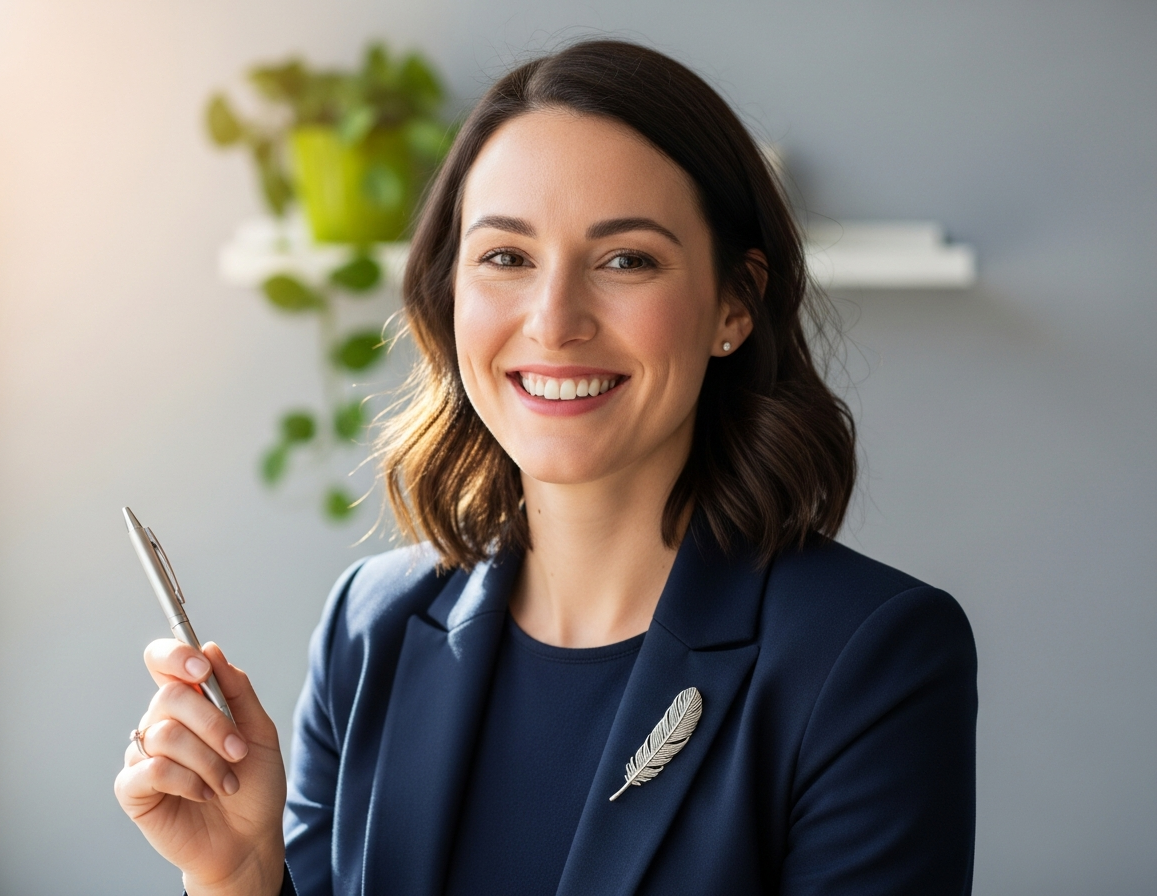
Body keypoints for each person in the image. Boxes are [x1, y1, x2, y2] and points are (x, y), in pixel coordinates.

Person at [115, 39, 977, 896]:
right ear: (449, 292)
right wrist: (242, 874)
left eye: (625, 260)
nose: (555, 320)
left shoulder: (873, 658)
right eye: (506, 257)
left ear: (733, 304)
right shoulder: (369, 627)